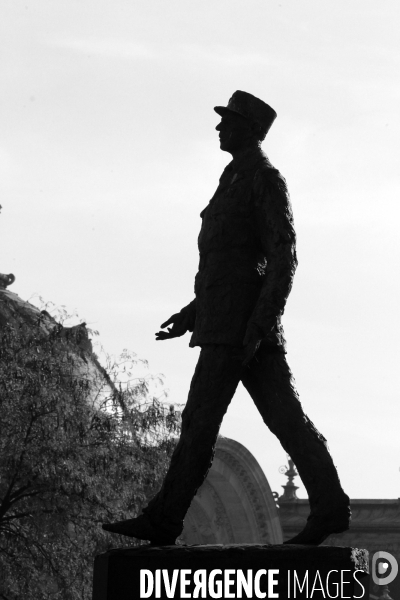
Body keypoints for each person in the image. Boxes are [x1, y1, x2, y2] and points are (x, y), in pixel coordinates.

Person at [103, 91, 351, 545]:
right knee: (273, 419)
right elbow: (229, 265)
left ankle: (165, 519)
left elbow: (283, 257)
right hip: (224, 322)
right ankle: (330, 505)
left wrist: (258, 326)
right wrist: (189, 314)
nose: (219, 128)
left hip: (242, 330)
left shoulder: (264, 178)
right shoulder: (233, 177)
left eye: (228, 122)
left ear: (249, 130)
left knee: (207, 421)